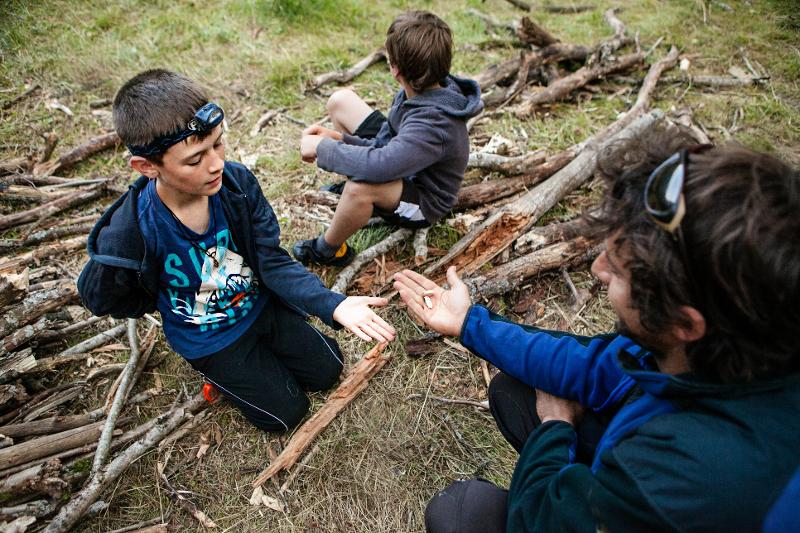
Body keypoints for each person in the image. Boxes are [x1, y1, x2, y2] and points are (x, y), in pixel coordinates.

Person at [393, 132, 800, 532]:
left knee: (462, 514)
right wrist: (469, 323)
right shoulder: (728, 335)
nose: (597, 269)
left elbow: (536, 522)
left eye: (618, 270)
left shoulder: (675, 476)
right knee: (514, 392)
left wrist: (556, 429)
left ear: (685, 324)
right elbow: (590, 365)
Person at [78, 69, 396, 433]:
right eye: (195, 159)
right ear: (147, 166)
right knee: (285, 415)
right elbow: (98, 295)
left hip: (258, 305)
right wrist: (154, 299)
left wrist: (333, 304)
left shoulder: (236, 184)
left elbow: (271, 260)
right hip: (210, 339)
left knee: (328, 369)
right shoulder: (132, 230)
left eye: (218, 144)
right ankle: (222, 374)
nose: (216, 163)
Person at [292, 10, 483, 267]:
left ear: (395, 69)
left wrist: (325, 149)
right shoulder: (420, 88)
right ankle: (353, 194)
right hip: (401, 159)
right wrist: (340, 140)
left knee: (361, 187)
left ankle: (327, 250)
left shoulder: (433, 125)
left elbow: (380, 166)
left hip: (423, 200)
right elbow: (383, 146)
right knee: (341, 102)